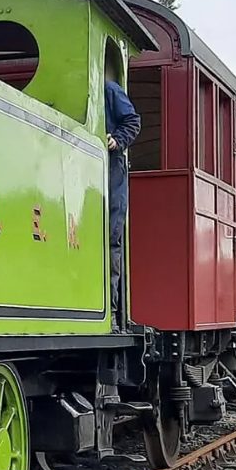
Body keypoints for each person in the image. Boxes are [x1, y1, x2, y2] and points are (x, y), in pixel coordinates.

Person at [105, 65, 141, 316]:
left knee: (111, 234)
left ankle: (113, 305)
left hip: (112, 167)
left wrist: (117, 140)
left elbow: (133, 120)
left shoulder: (109, 90)